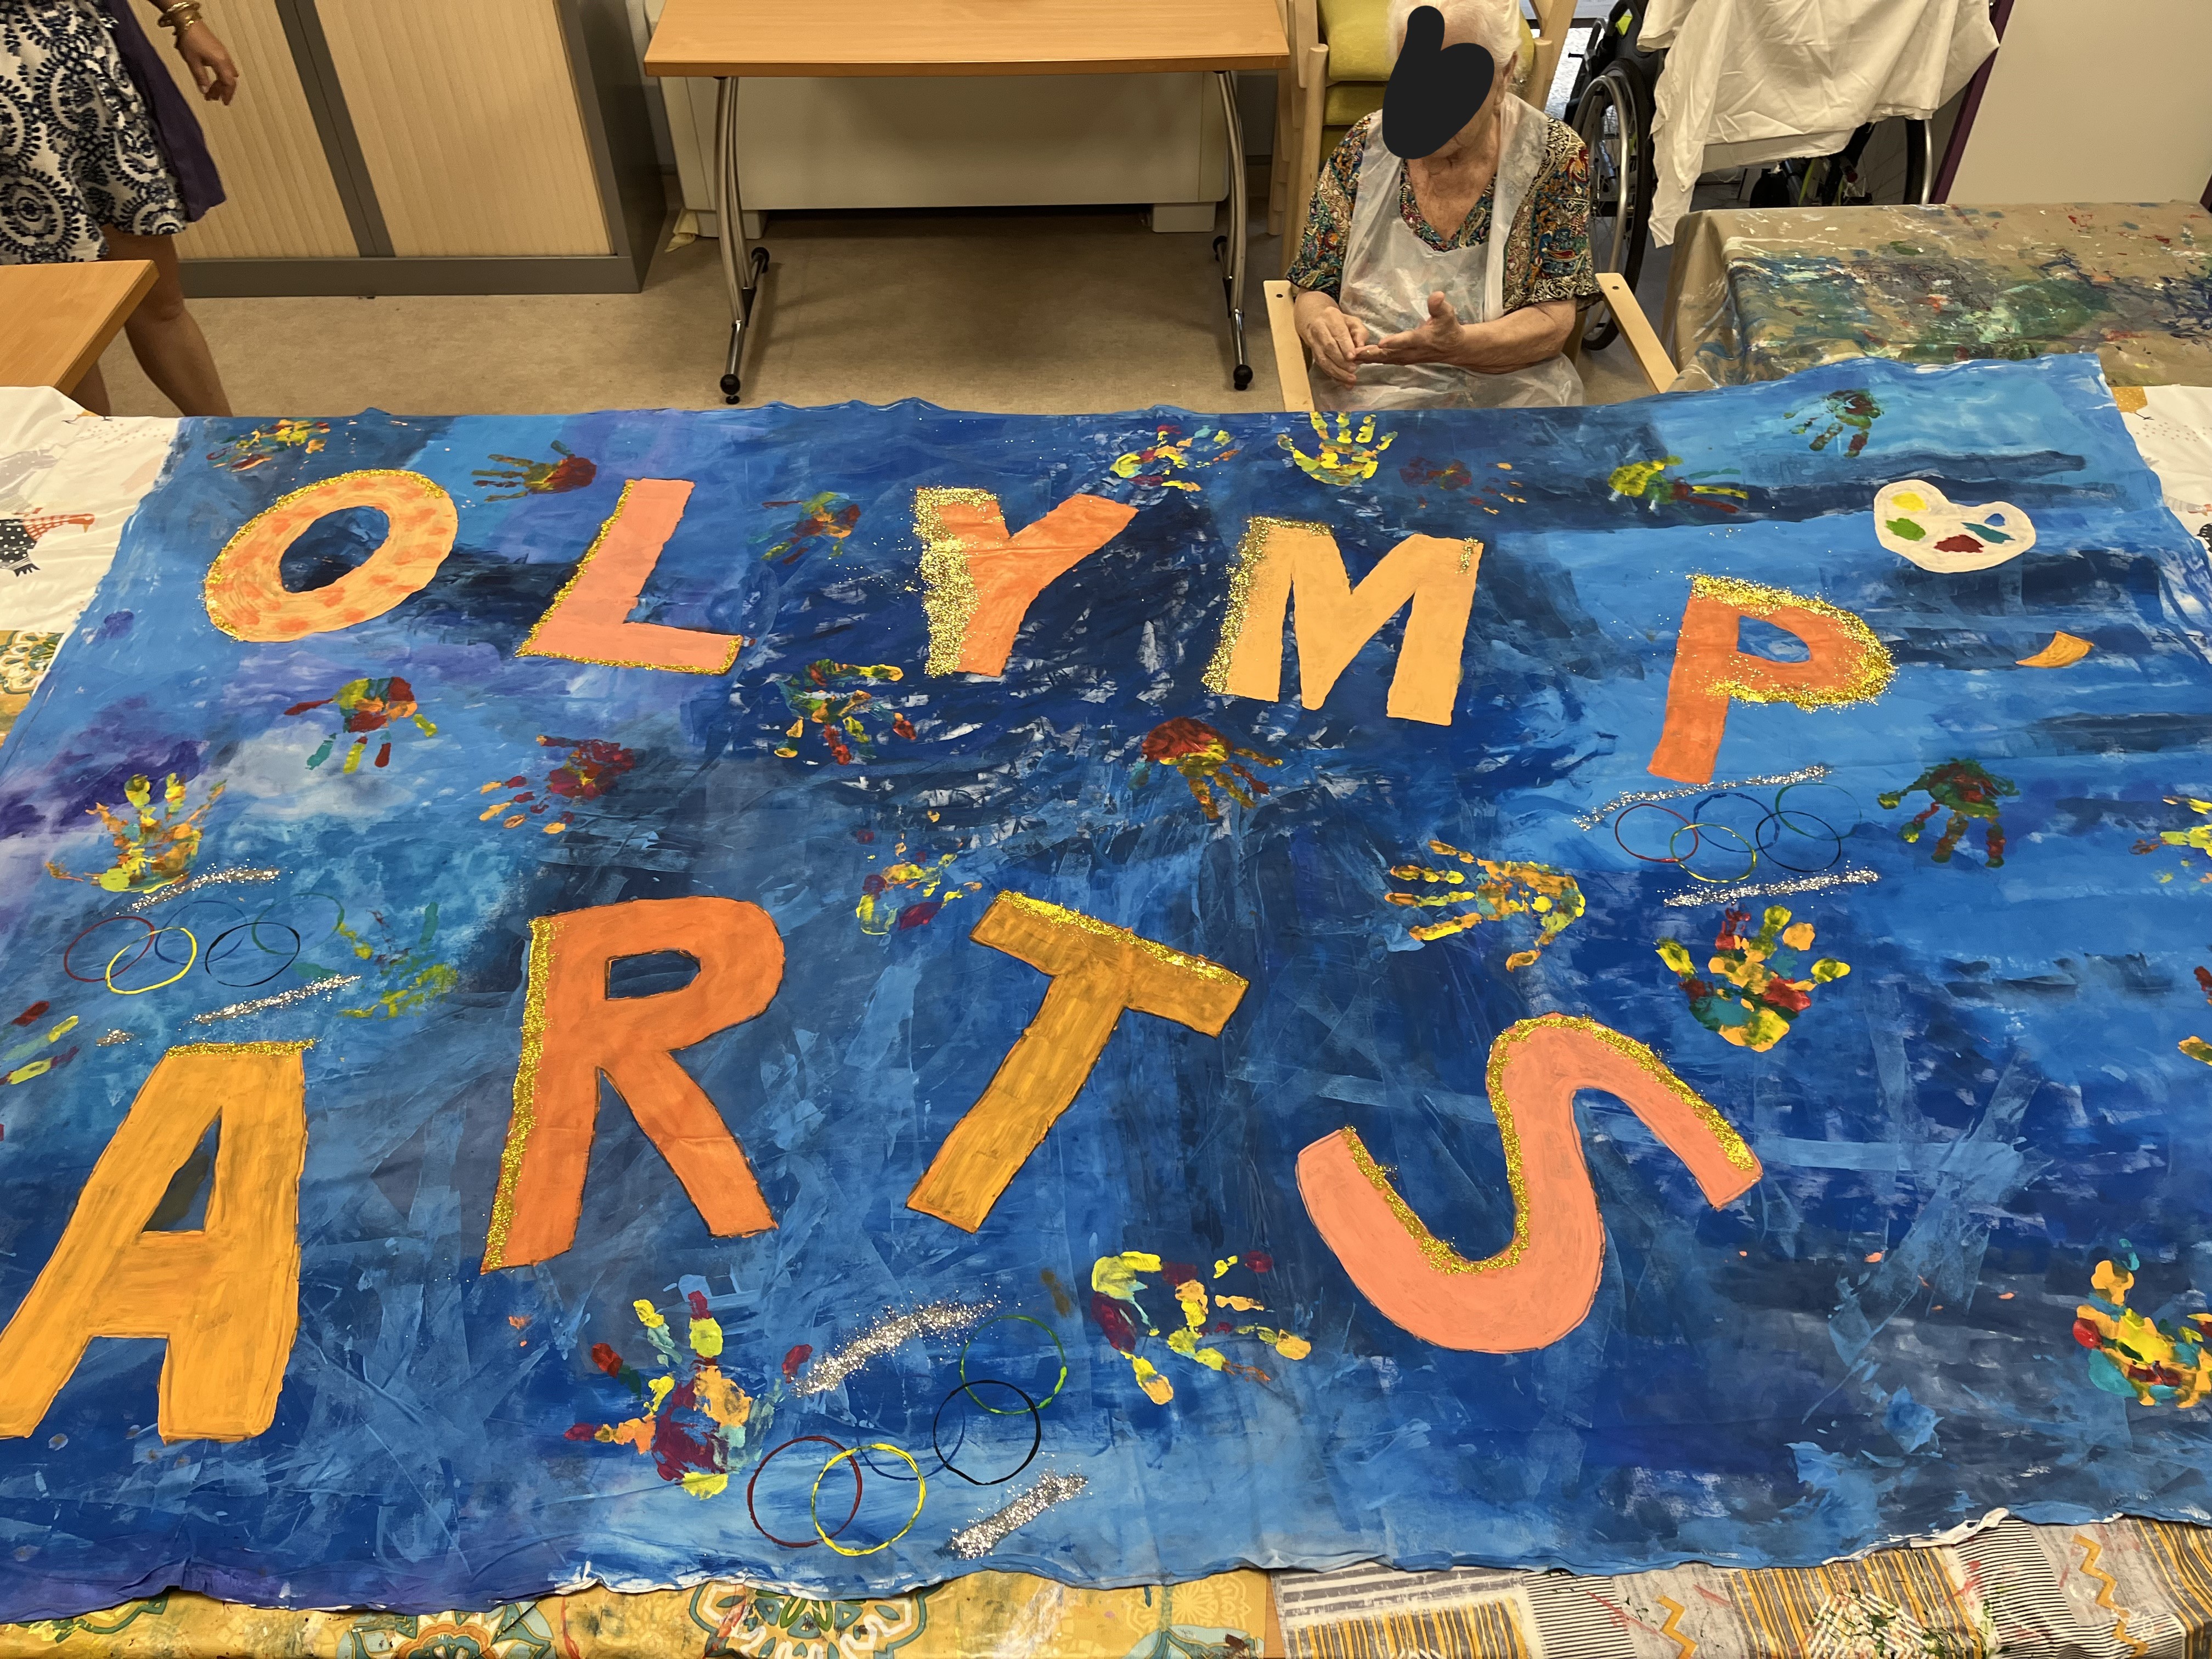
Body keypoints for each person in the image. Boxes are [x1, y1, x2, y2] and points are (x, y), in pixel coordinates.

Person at [1286, 0, 1598, 408]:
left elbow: (1552, 323)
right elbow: (1313, 285)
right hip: (1370, 387)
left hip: (1510, 388)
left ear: (1504, 75)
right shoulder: (1365, 147)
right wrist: (1320, 322)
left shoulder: (1552, 157)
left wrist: (1458, 345)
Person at [1, 0, 240, 415]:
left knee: (158, 297)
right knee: (61, 327)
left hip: (82, 60)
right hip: (11, 106)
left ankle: (230, 441)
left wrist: (184, 16)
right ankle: (95, 450)